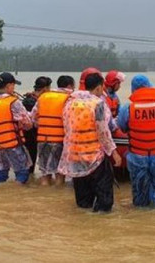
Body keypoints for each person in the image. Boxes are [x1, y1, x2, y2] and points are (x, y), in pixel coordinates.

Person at [58, 73, 123, 212]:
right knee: (104, 202)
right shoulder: (98, 104)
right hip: (95, 157)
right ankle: (100, 228)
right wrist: (114, 153)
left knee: (83, 202)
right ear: (99, 87)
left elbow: (67, 127)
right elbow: (103, 132)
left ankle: (84, 228)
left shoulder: (70, 103)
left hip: (74, 156)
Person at [117, 74, 155, 207]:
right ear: (149, 86)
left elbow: (122, 127)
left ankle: (141, 220)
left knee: (140, 193)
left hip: (137, 157)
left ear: (134, 89)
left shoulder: (128, 109)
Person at [0, 72, 33, 184]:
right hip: (13, 143)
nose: (14, 88)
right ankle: (17, 196)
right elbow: (28, 123)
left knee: (1, 172)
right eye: (13, 85)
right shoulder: (13, 102)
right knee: (22, 172)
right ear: (8, 85)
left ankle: (1, 195)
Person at [30, 75, 74, 186]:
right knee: (60, 175)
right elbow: (71, 120)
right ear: (70, 86)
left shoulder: (43, 97)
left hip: (42, 140)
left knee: (45, 175)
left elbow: (33, 118)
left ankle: (45, 197)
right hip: (59, 140)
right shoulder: (69, 98)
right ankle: (56, 199)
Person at [22, 76, 52, 174]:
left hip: (25, 136)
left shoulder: (26, 99)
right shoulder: (41, 101)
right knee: (46, 165)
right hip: (38, 136)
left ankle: (28, 181)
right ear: (45, 89)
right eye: (49, 88)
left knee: (28, 164)